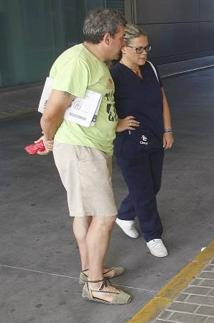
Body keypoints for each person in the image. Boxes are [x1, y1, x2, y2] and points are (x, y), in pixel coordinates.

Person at [37, 9, 131, 304]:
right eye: (120, 38)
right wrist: (48, 138)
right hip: (80, 149)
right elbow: (51, 111)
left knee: (85, 213)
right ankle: (95, 285)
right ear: (106, 38)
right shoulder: (78, 62)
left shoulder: (90, 60)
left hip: (92, 147)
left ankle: (91, 268)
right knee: (106, 215)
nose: (123, 44)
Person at [111, 24, 174, 257]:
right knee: (144, 190)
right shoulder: (113, 76)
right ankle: (153, 235)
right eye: (138, 49)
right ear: (123, 48)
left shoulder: (150, 68)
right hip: (129, 142)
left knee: (153, 185)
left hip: (155, 136)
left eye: (146, 47)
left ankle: (125, 215)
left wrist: (167, 129)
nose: (144, 53)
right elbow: (97, 110)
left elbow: (162, 100)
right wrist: (117, 124)